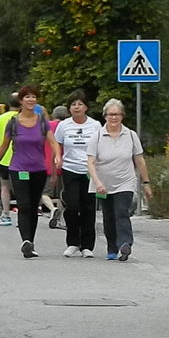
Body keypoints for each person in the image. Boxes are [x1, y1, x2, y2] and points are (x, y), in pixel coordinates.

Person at [0, 85, 62, 258]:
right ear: (21, 101)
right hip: (18, 168)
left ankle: (31, 241)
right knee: (24, 205)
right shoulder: (13, 123)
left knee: (34, 205)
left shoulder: (42, 121)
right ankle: (25, 241)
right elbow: (3, 146)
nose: (31, 100)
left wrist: (58, 156)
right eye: (27, 97)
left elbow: (53, 142)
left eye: (34, 97)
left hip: (38, 169)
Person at [87, 98, 153, 261]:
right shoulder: (97, 136)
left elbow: (139, 159)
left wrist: (146, 182)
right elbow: (90, 162)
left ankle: (125, 243)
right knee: (108, 215)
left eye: (116, 114)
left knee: (121, 212)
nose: (113, 118)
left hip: (125, 181)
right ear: (105, 116)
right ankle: (112, 247)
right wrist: (98, 182)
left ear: (122, 116)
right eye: (110, 115)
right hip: (103, 183)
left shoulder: (130, 135)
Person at [54, 89, 102, 258]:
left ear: (86, 107)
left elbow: (100, 146)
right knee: (72, 206)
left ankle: (87, 246)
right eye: (73, 104)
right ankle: (73, 242)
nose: (76, 107)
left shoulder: (95, 125)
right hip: (70, 169)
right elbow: (57, 144)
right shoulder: (64, 125)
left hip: (89, 170)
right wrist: (58, 157)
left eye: (80, 104)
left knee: (88, 207)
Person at [0, 93, 20, 226]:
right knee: (21, 188)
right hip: (20, 159)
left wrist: (0, 146)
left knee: (5, 186)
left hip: (4, 158)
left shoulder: (1, 118)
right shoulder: (23, 118)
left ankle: (6, 215)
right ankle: (22, 215)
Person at [42, 105, 69, 229]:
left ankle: (53, 209)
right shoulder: (68, 126)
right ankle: (60, 219)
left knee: (43, 193)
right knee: (61, 195)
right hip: (64, 165)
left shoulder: (46, 126)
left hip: (46, 164)